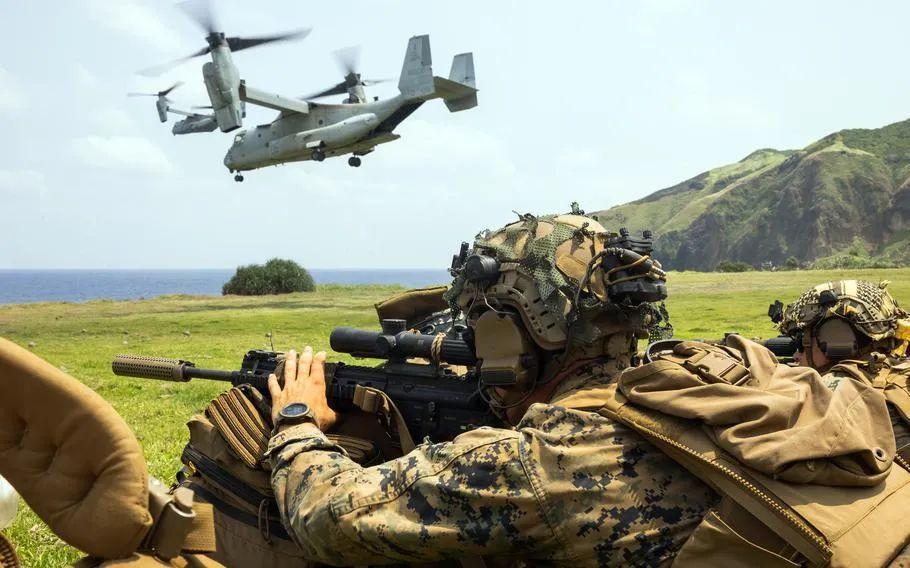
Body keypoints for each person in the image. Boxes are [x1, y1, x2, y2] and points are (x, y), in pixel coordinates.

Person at [264, 212, 719, 566]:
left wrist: (297, 422)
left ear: (516, 331)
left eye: (479, 325)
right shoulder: (696, 389)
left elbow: (325, 519)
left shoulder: (539, 464)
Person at [775, 279, 910, 452]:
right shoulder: (900, 373)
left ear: (835, 337)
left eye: (801, 341)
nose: (796, 355)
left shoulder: (832, 393)